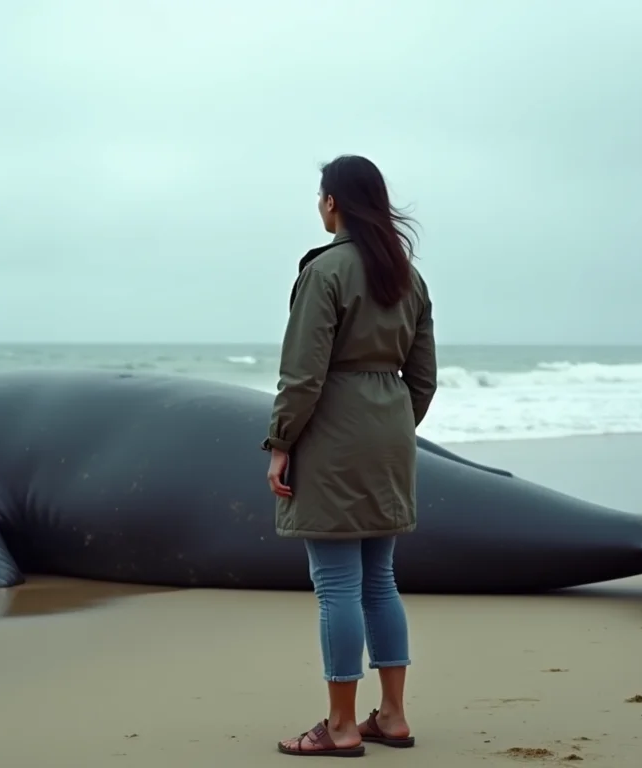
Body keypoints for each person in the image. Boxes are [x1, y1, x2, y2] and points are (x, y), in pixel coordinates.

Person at [262, 154, 438, 757]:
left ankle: (339, 727)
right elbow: (424, 378)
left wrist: (281, 442)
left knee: (336, 584)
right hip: (390, 432)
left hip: (334, 434)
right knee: (379, 580)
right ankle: (391, 716)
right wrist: (389, 425)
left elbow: (303, 374)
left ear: (332, 203)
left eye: (321, 196)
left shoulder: (327, 271)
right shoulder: (407, 276)